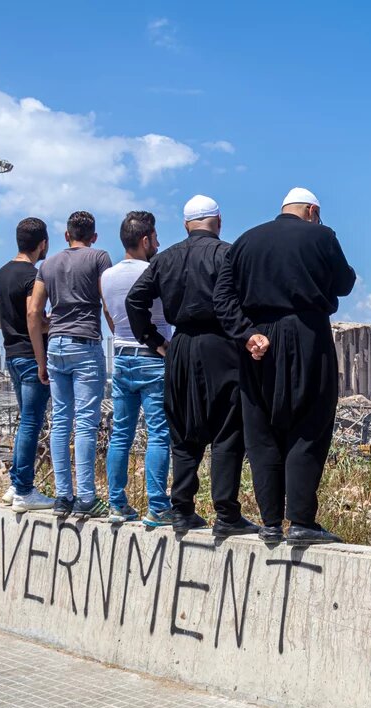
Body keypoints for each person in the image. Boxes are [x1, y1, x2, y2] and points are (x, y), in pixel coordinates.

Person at [213, 187, 356, 545]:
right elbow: (345, 283)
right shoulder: (322, 235)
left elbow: (222, 297)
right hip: (308, 335)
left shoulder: (245, 241)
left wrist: (245, 334)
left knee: (262, 430)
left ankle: (271, 523)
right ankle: (303, 521)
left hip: (258, 342)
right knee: (310, 423)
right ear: (311, 210)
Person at [126, 195, 262, 537]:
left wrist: (153, 339)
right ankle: (227, 513)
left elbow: (134, 300)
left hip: (180, 347)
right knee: (228, 430)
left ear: (186, 225)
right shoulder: (229, 253)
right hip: (222, 346)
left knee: (183, 431)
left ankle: (182, 509)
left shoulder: (165, 258)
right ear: (217, 221)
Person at [27, 211, 112, 520]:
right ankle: (87, 498)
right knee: (86, 423)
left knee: (61, 421)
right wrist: (118, 334)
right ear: (94, 236)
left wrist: (40, 359)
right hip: (86, 343)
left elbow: (34, 312)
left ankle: (63, 496)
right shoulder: (99, 257)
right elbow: (107, 301)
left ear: (66, 235)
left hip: (56, 346)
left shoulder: (47, 265)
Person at [101, 211, 172, 527]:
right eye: (155, 237)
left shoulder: (107, 277)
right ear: (146, 240)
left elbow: (111, 318)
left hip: (122, 358)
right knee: (159, 433)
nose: (158, 243)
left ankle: (117, 503)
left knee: (121, 435)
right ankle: (157, 507)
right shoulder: (156, 270)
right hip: (153, 357)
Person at [0, 217, 54, 512]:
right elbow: (34, 316)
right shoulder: (33, 275)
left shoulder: (2, 274)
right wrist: (50, 325)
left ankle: (16, 485)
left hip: (12, 356)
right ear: (42, 244)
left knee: (25, 421)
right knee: (31, 422)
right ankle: (25, 491)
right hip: (31, 357)